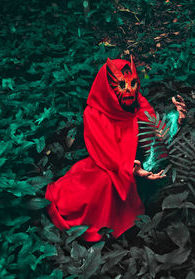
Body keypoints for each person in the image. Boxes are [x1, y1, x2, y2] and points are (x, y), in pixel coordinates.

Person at [45, 56, 187, 242]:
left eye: (133, 84)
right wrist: (131, 168)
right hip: (106, 165)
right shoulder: (95, 113)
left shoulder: (137, 103)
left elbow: (156, 134)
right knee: (98, 188)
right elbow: (105, 152)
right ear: (110, 87)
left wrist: (176, 121)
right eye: (122, 85)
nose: (129, 90)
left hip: (135, 164)